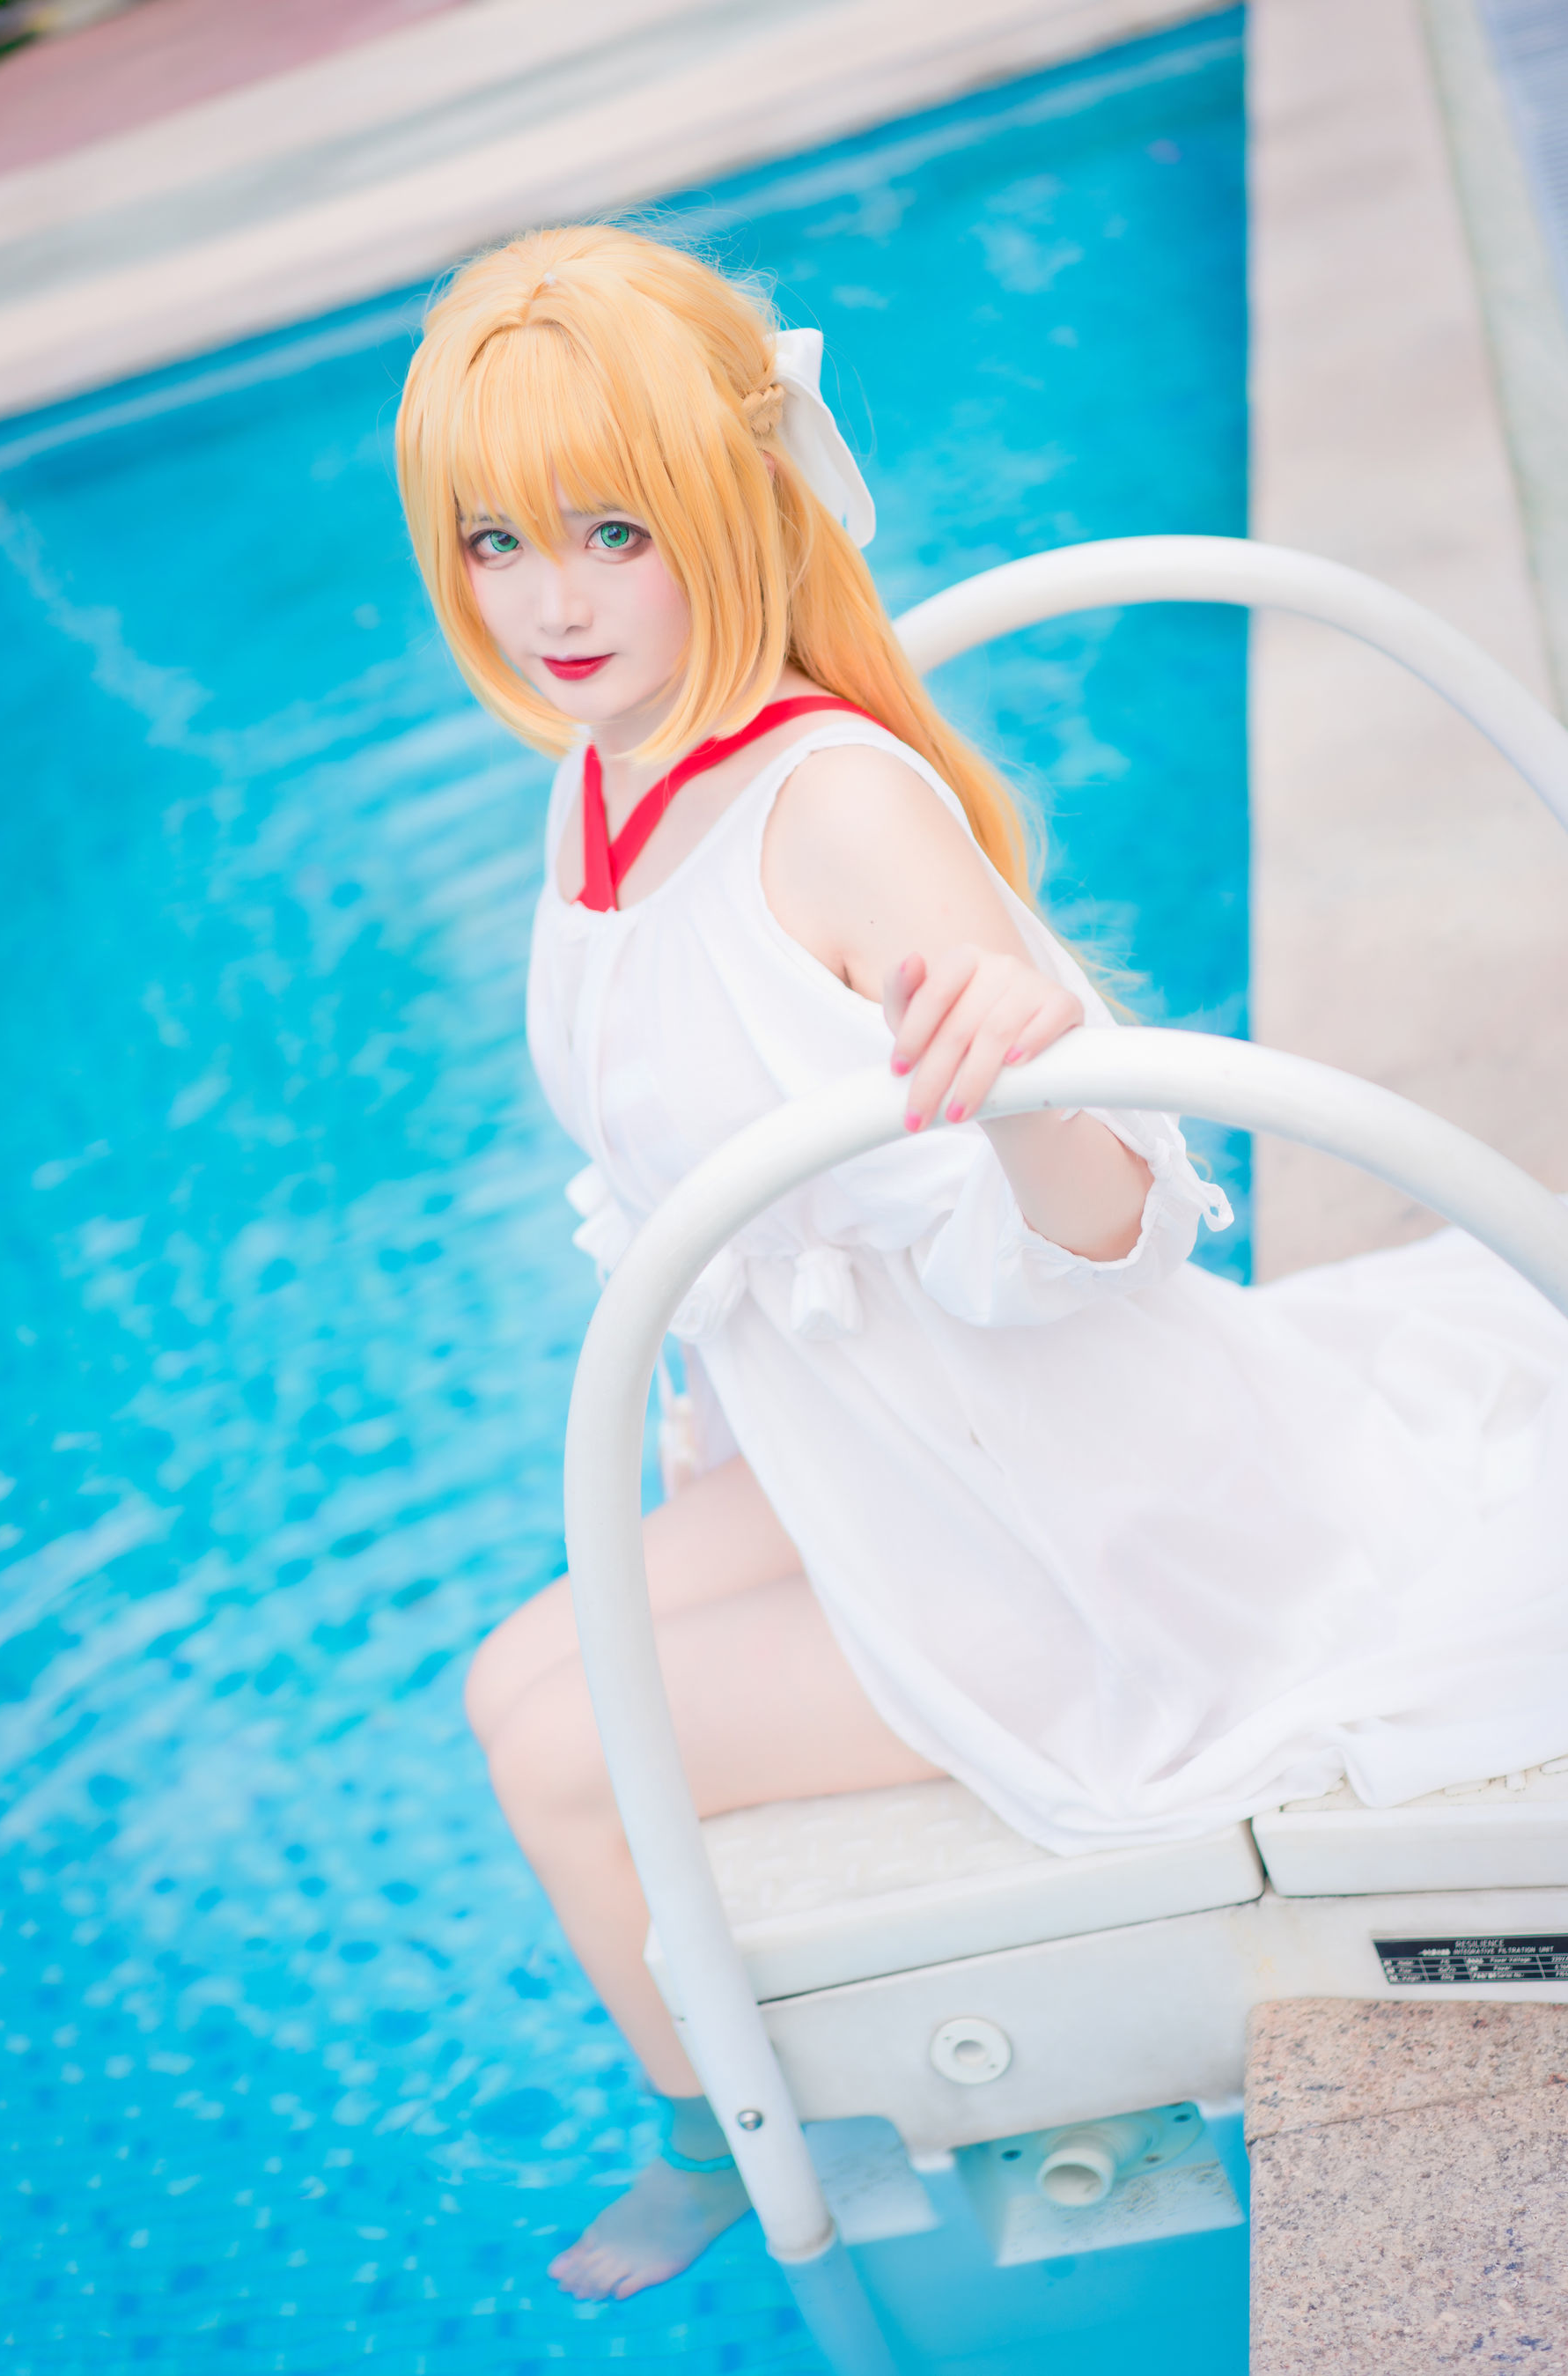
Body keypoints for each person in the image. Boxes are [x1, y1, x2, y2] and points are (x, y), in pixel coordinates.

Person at [395, 223, 1568, 2303]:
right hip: (879, 1442)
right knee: (508, 1677)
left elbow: (1114, 1225)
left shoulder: (834, 811)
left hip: (1057, 1522)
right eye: (500, 540)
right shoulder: (607, 783)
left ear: (723, 509)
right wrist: (721, 1457)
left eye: (610, 530)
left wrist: (1031, 1088)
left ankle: (748, 2145)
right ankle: (722, 2102)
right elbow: (693, 1218)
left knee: (569, 1753)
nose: (552, 599)